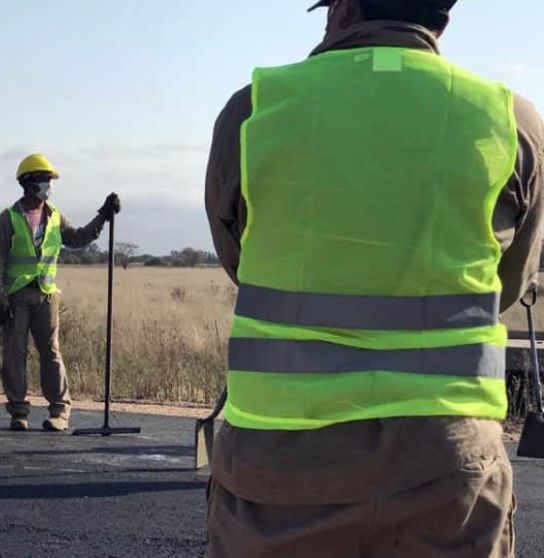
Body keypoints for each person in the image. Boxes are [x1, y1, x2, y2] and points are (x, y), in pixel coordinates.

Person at [204, 1, 544, 556]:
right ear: (440, 22)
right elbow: (507, 284)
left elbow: (239, 261)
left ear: (342, 10)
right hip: (446, 459)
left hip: (277, 463)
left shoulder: (253, 110)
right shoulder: (512, 120)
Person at [0, 153, 120, 432]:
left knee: (51, 353)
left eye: (49, 180)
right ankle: (18, 412)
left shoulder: (55, 217)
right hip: (16, 297)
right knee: (14, 353)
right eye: (42, 179)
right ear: (27, 182)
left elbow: (79, 238)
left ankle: (60, 411)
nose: (47, 185)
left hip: (46, 296)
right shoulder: (8, 219)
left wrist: (103, 216)